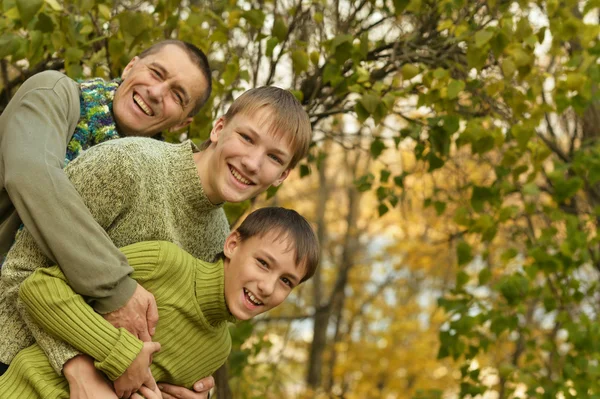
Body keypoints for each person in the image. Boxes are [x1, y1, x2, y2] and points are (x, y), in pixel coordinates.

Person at [0, 85, 312, 398]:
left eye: (273, 157)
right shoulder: (126, 165)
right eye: (247, 138)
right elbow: (22, 273)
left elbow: (163, 353)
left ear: (282, 176)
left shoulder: (223, 245)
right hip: (11, 363)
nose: (252, 163)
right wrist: (76, 367)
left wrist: (191, 389)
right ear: (219, 128)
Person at [0, 207, 320, 399]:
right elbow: (39, 287)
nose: (267, 287)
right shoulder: (166, 263)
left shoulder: (219, 348)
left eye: (286, 281)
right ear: (233, 244)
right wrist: (121, 354)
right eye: (263, 263)